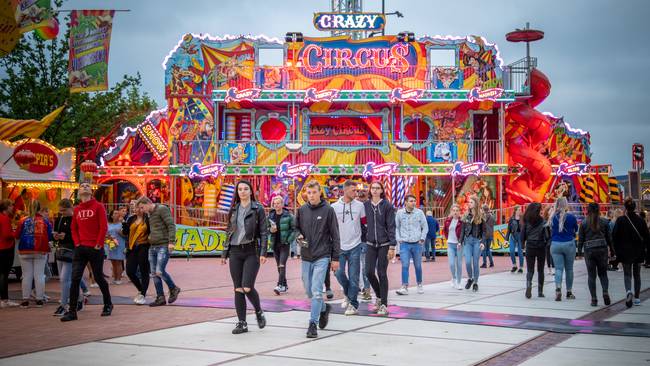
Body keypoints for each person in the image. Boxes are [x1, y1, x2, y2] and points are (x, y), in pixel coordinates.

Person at [221, 180, 268, 334]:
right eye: (240, 189)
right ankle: (242, 323)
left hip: (251, 251)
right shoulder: (234, 209)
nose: (242, 191)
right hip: (235, 251)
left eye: (245, 189)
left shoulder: (258, 208)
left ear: (250, 191)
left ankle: (259, 311)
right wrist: (224, 253)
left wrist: (263, 252)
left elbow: (264, 232)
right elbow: (229, 231)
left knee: (247, 287)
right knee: (238, 289)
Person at [61, 182, 113, 321]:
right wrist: (77, 243)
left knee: (98, 277)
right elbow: (74, 228)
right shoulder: (77, 209)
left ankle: (108, 304)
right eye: (82, 186)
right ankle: (72, 311)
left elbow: (103, 227)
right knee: (75, 279)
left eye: (87, 186)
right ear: (79, 192)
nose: (84, 186)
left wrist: (98, 244)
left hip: (95, 248)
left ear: (91, 191)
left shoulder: (99, 206)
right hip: (80, 248)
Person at [295, 180, 340, 338]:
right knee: (309, 291)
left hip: (322, 256)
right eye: (309, 193)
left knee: (316, 291)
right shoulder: (302, 210)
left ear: (319, 192)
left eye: (314, 192)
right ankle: (323, 309)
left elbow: (335, 234)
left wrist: (335, 258)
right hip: (306, 256)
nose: (311, 195)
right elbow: (296, 228)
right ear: (306, 193)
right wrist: (298, 236)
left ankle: (312, 324)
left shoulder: (328, 210)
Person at [138, 197, 181, 307]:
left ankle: (173, 288)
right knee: (154, 273)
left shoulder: (161, 209)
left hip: (163, 245)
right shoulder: (149, 214)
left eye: (142, 207)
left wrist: (171, 242)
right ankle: (160, 297)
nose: (141, 210)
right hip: (153, 246)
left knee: (159, 271)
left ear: (147, 203)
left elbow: (171, 225)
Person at [331, 180, 365, 315]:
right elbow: (331, 227)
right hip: (339, 246)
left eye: (356, 190)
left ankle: (353, 304)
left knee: (354, 276)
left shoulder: (360, 206)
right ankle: (348, 292)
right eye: (353, 190)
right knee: (338, 273)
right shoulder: (334, 207)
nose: (355, 193)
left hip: (355, 245)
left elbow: (364, 223)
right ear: (344, 190)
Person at [363, 181, 396, 316]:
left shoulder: (387, 206)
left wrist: (392, 246)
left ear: (382, 190)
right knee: (369, 272)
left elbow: (391, 226)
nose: (375, 190)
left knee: (382, 273)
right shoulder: (365, 206)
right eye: (373, 188)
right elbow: (361, 222)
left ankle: (383, 304)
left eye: (378, 188)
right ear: (370, 190)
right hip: (370, 244)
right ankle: (379, 296)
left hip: (384, 244)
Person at [52, 199, 91, 316]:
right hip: (61, 251)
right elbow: (55, 236)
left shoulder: (77, 219)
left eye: (64, 210)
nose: (62, 213)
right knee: (70, 279)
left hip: (73, 251)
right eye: (60, 211)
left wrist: (66, 236)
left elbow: (80, 235)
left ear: (71, 208)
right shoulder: (59, 219)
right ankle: (79, 300)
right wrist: (56, 237)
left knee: (65, 279)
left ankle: (64, 305)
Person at [613, 198, 650, 308]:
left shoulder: (620, 220)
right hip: (638, 252)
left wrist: (617, 251)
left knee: (627, 274)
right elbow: (647, 237)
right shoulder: (641, 220)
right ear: (635, 208)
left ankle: (629, 291)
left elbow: (614, 236)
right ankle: (637, 298)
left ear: (625, 208)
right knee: (637, 274)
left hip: (625, 253)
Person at [16, 200, 53, 308]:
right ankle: (39, 299)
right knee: (39, 275)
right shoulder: (45, 221)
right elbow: (50, 236)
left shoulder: (23, 220)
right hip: (40, 250)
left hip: (24, 250)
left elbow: (17, 235)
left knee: (26, 275)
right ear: (40, 209)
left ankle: (25, 300)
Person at [578, 203, 611, 307]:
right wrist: (613, 250)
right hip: (602, 249)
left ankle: (594, 299)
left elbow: (581, 239)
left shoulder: (583, 223)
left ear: (588, 210)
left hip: (589, 250)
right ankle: (605, 292)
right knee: (603, 274)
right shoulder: (605, 221)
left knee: (591, 276)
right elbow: (609, 238)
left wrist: (579, 252)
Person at [395, 195, 428, 295]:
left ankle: (419, 284)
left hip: (417, 244)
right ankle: (404, 286)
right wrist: (399, 239)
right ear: (405, 202)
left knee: (418, 265)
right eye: (411, 201)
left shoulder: (419, 213)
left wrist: (422, 239)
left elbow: (425, 227)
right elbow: (396, 227)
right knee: (405, 265)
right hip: (404, 244)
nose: (413, 203)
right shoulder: (400, 213)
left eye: (414, 201)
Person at [549, 197, 578, 302]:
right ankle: (569, 292)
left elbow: (550, 230)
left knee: (558, 269)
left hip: (555, 244)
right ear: (566, 205)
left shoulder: (552, 217)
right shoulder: (571, 217)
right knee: (569, 269)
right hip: (569, 244)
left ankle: (558, 289)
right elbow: (576, 230)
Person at [123, 202, 150, 305]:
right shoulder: (131, 219)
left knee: (144, 271)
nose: (136, 209)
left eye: (139, 207)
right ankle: (140, 289)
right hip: (132, 248)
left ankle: (143, 294)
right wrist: (123, 222)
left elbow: (151, 232)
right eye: (135, 208)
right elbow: (126, 232)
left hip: (144, 247)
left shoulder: (148, 219)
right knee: (130, 271)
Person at [521, 203, 549, 299]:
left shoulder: (526, 221)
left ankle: (529, 285)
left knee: (530, 270)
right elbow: (547, 236)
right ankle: (540, 292)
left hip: (530, 246)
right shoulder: (543, 221)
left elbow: (522, 235)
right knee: (540, 270)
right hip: (540, 246)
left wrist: (522, 245)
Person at [268, 195, 295, 295]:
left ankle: (279, 285)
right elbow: (266, 229)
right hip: (275, 244)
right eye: (274, 203)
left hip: (284, 244)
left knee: (282, 264)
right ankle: (285, 285)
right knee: (278, 266)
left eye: (278, 203)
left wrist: (289, 240)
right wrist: (271, 230)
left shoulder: (288, 215)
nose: (276, 205)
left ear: (282, 204)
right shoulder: (270, 216)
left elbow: (294, 229)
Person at [460, 196, 486, 292]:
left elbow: (484, 231)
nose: (469, 204)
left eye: (471, 202)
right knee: (467, 262)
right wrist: (460, 242)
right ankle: (470, 278)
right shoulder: (466, 215)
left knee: (475, 263)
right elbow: (463, 230)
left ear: (475, 203)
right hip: (467, 241)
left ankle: (475, 282)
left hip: (477, 241)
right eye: (469, 202)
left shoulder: (481, 215)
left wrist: (483, 242)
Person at [0, 199, 18, 308]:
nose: (13, 208)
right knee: (4, 274)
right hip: (5, 248)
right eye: (11, 205)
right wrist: (16, 232)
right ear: (6, 207)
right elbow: (7, 235)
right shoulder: (5, 218)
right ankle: (4, 299)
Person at [356, 190, 372, 303]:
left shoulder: (368, 206)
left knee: (365, 266)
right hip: (359, 240)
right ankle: (364, 288)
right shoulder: (358, 206)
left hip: (366, 240)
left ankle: (366, 288)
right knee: (361, 266)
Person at [444, 204, 463, 290]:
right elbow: (445, 230)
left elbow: (463, 234)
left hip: (459, 245)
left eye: (457, 211)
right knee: (451, 264)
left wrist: (460, 242)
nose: (455, 212)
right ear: (451, 211)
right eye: (453, 210)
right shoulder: (447, 221)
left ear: (459, 212)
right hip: (450, 244)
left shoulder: (462, 221)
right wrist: (447, 239)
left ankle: (459, 282)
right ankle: (454, 278)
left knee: (459, 264)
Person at [106, 210, 126, 285]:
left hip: (120, 244)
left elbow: (126, 236)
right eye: (115, 213)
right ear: (111, 216)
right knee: (113, 262)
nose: (117, 214)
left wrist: (121, 233)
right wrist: (107, 236)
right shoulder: (108, 224)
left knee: (118, 262)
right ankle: (115, 278)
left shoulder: (121, 224)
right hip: (111, 245)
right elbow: (106, 234)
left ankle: (119, 279)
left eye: (118, 213)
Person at [506, 206, 524, 273]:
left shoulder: (523, 218)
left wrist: (525, 239)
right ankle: (514, 265)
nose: (520, 211)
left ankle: (521, 267)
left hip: (520, 236)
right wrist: (506, 239)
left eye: (520, 210)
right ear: (515, 210)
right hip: (513, 236)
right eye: (518, 210)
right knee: (511, 251)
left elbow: (525, 229)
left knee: (520, 253)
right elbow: (508, 230)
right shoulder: (511, 219)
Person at [542, 205, 555, 275]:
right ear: (547, 212)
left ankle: (553, 268)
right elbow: (545, 231)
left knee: (552, 254)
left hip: (553, 239)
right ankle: (550, 269)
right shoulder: (544, 220)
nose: (552, 211)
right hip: (547, 240)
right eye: (551, 210)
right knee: (549, 254)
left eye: (553, 210)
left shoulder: (554, 219)